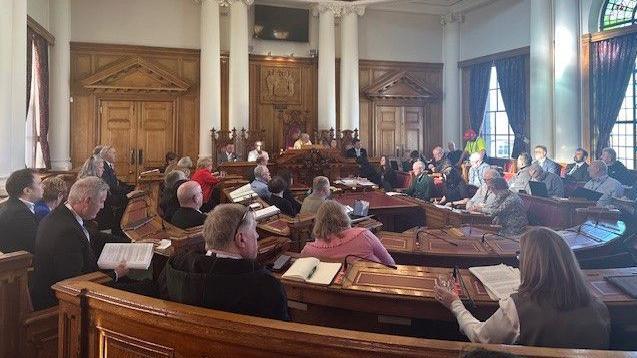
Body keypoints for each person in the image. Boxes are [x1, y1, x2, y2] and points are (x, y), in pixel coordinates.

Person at [435, 227, 610, 349]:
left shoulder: (517, 308)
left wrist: (455, 304)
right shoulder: (599, 307)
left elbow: (480, 337)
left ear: (530, 264)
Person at [161, 204, 289, 321]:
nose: (257, 236)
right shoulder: (266, 286)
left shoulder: (175, 266)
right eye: (254, 230)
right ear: (241, 239)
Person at [31, 177, 130, 309]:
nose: (102, 206)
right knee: (147, 290)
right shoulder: (66, 232)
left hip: (74, 287)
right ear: (87, 201)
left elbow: (92, 235)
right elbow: (75, 283)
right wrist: (116, 274)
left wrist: (130, 243)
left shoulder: (62, 214)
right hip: (63, 302)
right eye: (101, 201)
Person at [301, 201, 395, 266]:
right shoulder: (363, 235)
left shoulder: (308, 251)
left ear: (318, 222)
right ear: (344, 216)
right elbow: (390, 263)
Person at [0, 169, 43, 253]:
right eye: (40, 184)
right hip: (20, 262)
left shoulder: (13, 205)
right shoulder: (19, 214)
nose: (43, 186)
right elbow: (37, 245)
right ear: (27, 191)